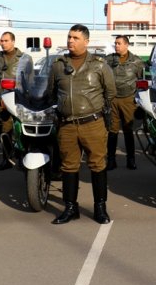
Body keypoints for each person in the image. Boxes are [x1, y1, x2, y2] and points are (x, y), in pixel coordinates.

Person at [46, 24, 116, 224]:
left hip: (92, 123)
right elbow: (51, 92)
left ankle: (100, 208)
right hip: (67, 125)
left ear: (86, 41)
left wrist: (96, 109)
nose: (70, 41)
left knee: (97, 165)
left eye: (75, 38)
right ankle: (70, 208)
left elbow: (110, 93)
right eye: (69, 37)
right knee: (69, 166)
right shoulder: (58, 65)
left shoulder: (99, 65)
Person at [105, 35, 144, 170]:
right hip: (113, 99)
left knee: (128, 130)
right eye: (115, 43)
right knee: (112, 131)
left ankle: (131, 159)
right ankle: (111, 159)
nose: (116, 45)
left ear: (127, 45)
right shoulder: (108, 60)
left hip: (128, 99)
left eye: (119, 43)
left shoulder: (136, 62)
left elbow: (142, 80)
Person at [0, 31, 25, 171]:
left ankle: (24, 157)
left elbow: (29, 79)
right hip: (4, 98)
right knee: (5, 129)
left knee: (21, 129)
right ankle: (6, 159)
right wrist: (0, 96)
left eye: (6, 40)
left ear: (13, 41)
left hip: (19, 99)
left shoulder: (23, 58)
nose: (3, 43)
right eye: (1, 40)